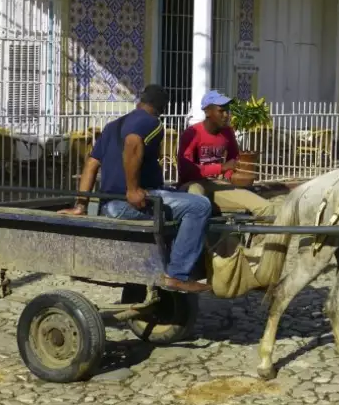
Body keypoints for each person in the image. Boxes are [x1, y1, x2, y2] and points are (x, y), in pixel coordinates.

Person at [58, 84, 213, 293]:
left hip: (109, 204)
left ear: (140, 101)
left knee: (183, 196)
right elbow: (133, 143)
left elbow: (91, 164)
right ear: (162, 108)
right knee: (200, 206)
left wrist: (81, 204)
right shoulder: (152, 122)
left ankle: (163, 262)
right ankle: (177, 275)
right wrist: (132, 190)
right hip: (126, 203)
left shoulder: (112, 125)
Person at [177, 90, 275, 219]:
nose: (226, 115)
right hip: (191, 185)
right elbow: (186, 170)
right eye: (221, 111)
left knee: (266, 208)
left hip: (216, 184)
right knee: (199, 204)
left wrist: (228, 175)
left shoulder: (227, 132)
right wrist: (221, 168)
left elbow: (234, 156)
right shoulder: (192, 133)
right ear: (207, 112)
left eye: (227, 111)